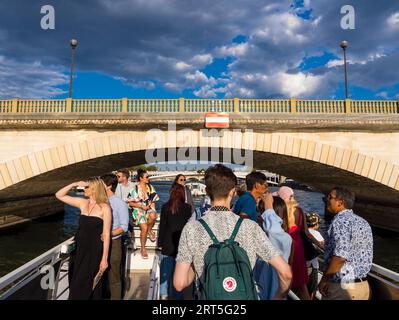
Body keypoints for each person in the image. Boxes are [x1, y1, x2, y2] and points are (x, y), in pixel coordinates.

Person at [173, 164, 292, 300]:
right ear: (232, 192)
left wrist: (196, 265)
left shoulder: (192, 229)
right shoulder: (250, 227)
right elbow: (286, 273)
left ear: (206, 191)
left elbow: (179, 283)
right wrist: (278, 297)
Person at [55, 178, 112, 300]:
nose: (84, 189)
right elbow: (59, 195)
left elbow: (106, 234)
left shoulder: (104, 208)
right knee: (76, 283)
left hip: (94, 252)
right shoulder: (83, 203)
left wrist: (104, 259)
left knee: (91, 285)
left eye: (87, 187)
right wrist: (74, 183)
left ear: (94, 189)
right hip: (79, 251)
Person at [318, 187, 373, 300]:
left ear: (340, 202)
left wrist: (324, 280)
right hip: (363, 287)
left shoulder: (339, 221)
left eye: (330, 197)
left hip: (342, 288)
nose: (326, 199)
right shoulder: (363, 222)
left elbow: (340, 257)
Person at [254, 193, 293, 300]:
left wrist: (268, 204)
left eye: (262, 213)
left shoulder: (283, 239)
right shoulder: (260, 236)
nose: (259, 216)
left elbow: (273, 231)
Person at [158, 183, 192, 300]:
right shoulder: (187, 208)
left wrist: (159, 244)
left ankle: (163, 296)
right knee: (179, 276)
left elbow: (162, 227)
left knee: (165, 274)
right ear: (183, 194)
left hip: (167, 244)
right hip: (181, 245)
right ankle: (178, 297)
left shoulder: (165, 207)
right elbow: (189, 228)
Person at [100, 173, 130, 300]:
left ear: (109, 186)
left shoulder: (119, 203)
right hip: (100, 242)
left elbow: (124, 227)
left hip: (114, 243)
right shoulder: (99, 202)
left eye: (101, 184)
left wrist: (108, 234)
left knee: (114, 276)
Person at [128, 168, 159, 259]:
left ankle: (149, 230)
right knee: (144, 227)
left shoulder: (150, 187)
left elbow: (153, 201)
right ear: (141, 178)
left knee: (153, 216)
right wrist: (141, 207)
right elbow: (130, 203)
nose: (148, 178)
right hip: (138, 209)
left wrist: (153, 210)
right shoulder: (135, 189)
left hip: (148, 208)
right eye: (147, 177)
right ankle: (143, 248)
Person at [305, 212, 324, 300]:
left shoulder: (302, 232)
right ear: (316, 225)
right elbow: (323, 247)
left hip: (302, 264)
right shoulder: (316, 234)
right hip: (312, 266)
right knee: (312, 289)